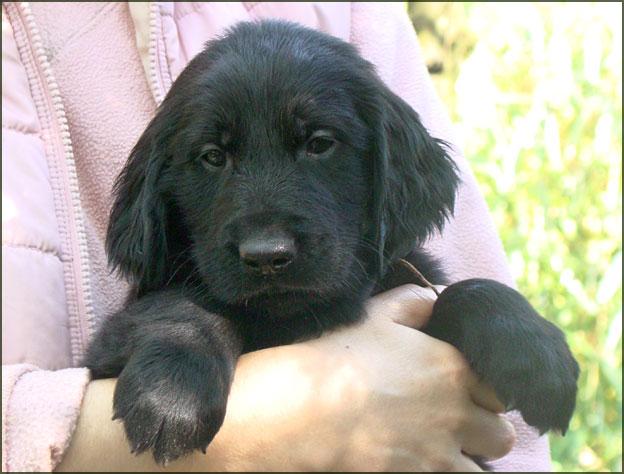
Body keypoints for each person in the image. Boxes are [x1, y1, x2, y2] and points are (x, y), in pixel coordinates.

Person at [1, 2, 551, 471]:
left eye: (318, 145)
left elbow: (498, 432)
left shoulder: (355, 14)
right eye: (212, 158)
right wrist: (194, 338)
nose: (266, 244)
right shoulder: (176, 330)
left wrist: (479, 309)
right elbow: (127, 339)